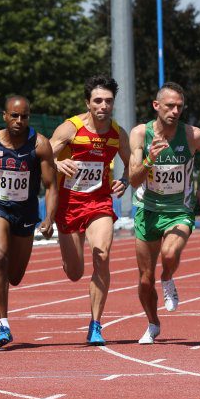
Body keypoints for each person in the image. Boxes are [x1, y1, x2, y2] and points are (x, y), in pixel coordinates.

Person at [129, 82, 200, 345]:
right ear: (156, 106)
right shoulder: (139, 134)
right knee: (144, 280)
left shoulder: (192, 135)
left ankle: (167, 278)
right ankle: (153, 323)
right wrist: (149, 160)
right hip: (147, 209)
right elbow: (133, 180)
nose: (175, 111)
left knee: (169, 254)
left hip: (179, 209)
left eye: (179, 106)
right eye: (170, 106)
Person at [0, 95, 57, 348]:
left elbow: (51, 186)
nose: (19, 121)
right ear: (4, 116)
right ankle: (3, 323)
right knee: (1, 256)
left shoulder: (39, 145)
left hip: (25, 213)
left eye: (24, 116)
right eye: (14, 116)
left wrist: (49, 217)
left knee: (15, 277)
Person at [49, 75, 131, 345]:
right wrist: (58, 165)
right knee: (74, 273)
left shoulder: (118, 134)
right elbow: (43, 154)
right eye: (98, 100)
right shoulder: (70, 129)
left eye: (108, 101)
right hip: (69, 204)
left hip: (99, 202)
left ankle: (96, 324)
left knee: (102, 254)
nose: (103, 106)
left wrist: (126, 179)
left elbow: (132, 163)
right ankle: (69, 258)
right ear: (88, 102)